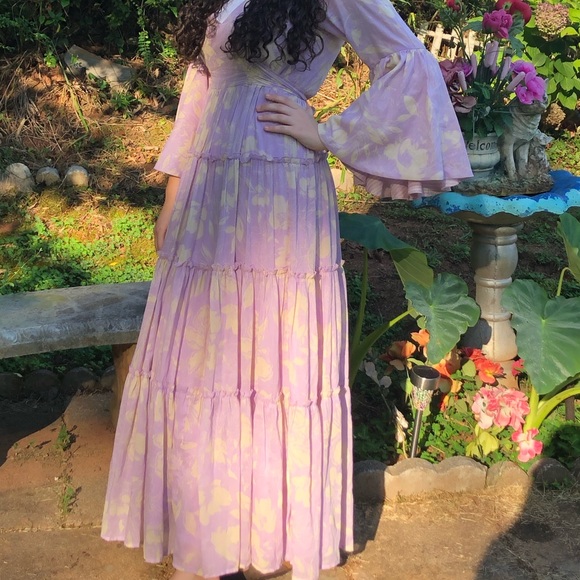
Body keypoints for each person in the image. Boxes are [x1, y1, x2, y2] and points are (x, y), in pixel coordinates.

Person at [101, 0, 472, 579]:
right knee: (207, 360)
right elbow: (200, 93)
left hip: (279, 193)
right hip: (209, 194)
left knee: (269, 361)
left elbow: (408, 60)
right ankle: (211, 538)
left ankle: (263, 534)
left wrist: (327, 133)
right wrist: (172, 196)